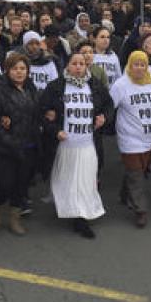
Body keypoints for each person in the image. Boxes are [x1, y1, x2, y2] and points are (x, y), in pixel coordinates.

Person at [40, 53, 112, 239]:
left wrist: (103, 117)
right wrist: (55, 130)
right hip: (65, 146)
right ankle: (69, 208)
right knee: (67, 180)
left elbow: (108, 105)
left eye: (82, 63)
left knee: (85, 181)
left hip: (88, 144)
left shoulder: (95, 85)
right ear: (68, 66)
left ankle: (81, 218)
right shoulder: (56, 87)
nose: (79, 67)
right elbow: (42, 112)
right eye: (74, 63)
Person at [0, 53, 40, 236]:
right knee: (5, 183)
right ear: (7, 70)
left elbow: (36, 112)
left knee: (21, 184)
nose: (19, 72)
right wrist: (6, 135)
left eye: (23, 68)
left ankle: (15, 217)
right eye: (15, 68)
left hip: (28, 146)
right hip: (6, 147)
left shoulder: (31, 88)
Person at [111, 51, 151, 227]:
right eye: (136, 64)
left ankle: (124, 193)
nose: (140, 68)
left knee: (139, 170)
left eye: (143, 64)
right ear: (129, 65)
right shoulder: (121, 85)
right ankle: (141, 210)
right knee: (136, 174)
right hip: (130, 137)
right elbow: (109, 106)